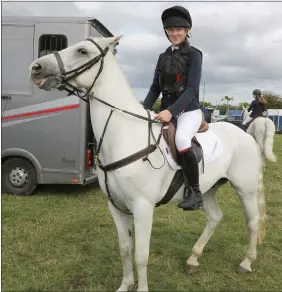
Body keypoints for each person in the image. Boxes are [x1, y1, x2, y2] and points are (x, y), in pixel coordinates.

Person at [143, 5, 203, 211]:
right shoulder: (163, 57)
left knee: (181, 140)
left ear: (187, 31)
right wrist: (143, 109)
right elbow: (155, 87)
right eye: (171, 30)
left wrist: (171, 111)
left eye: (179, 29)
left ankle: (195, 192)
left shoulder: (195, 55)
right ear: (166, 32)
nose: (175, 33)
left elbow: (192, 89)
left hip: (188, 110)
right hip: (165, 110)